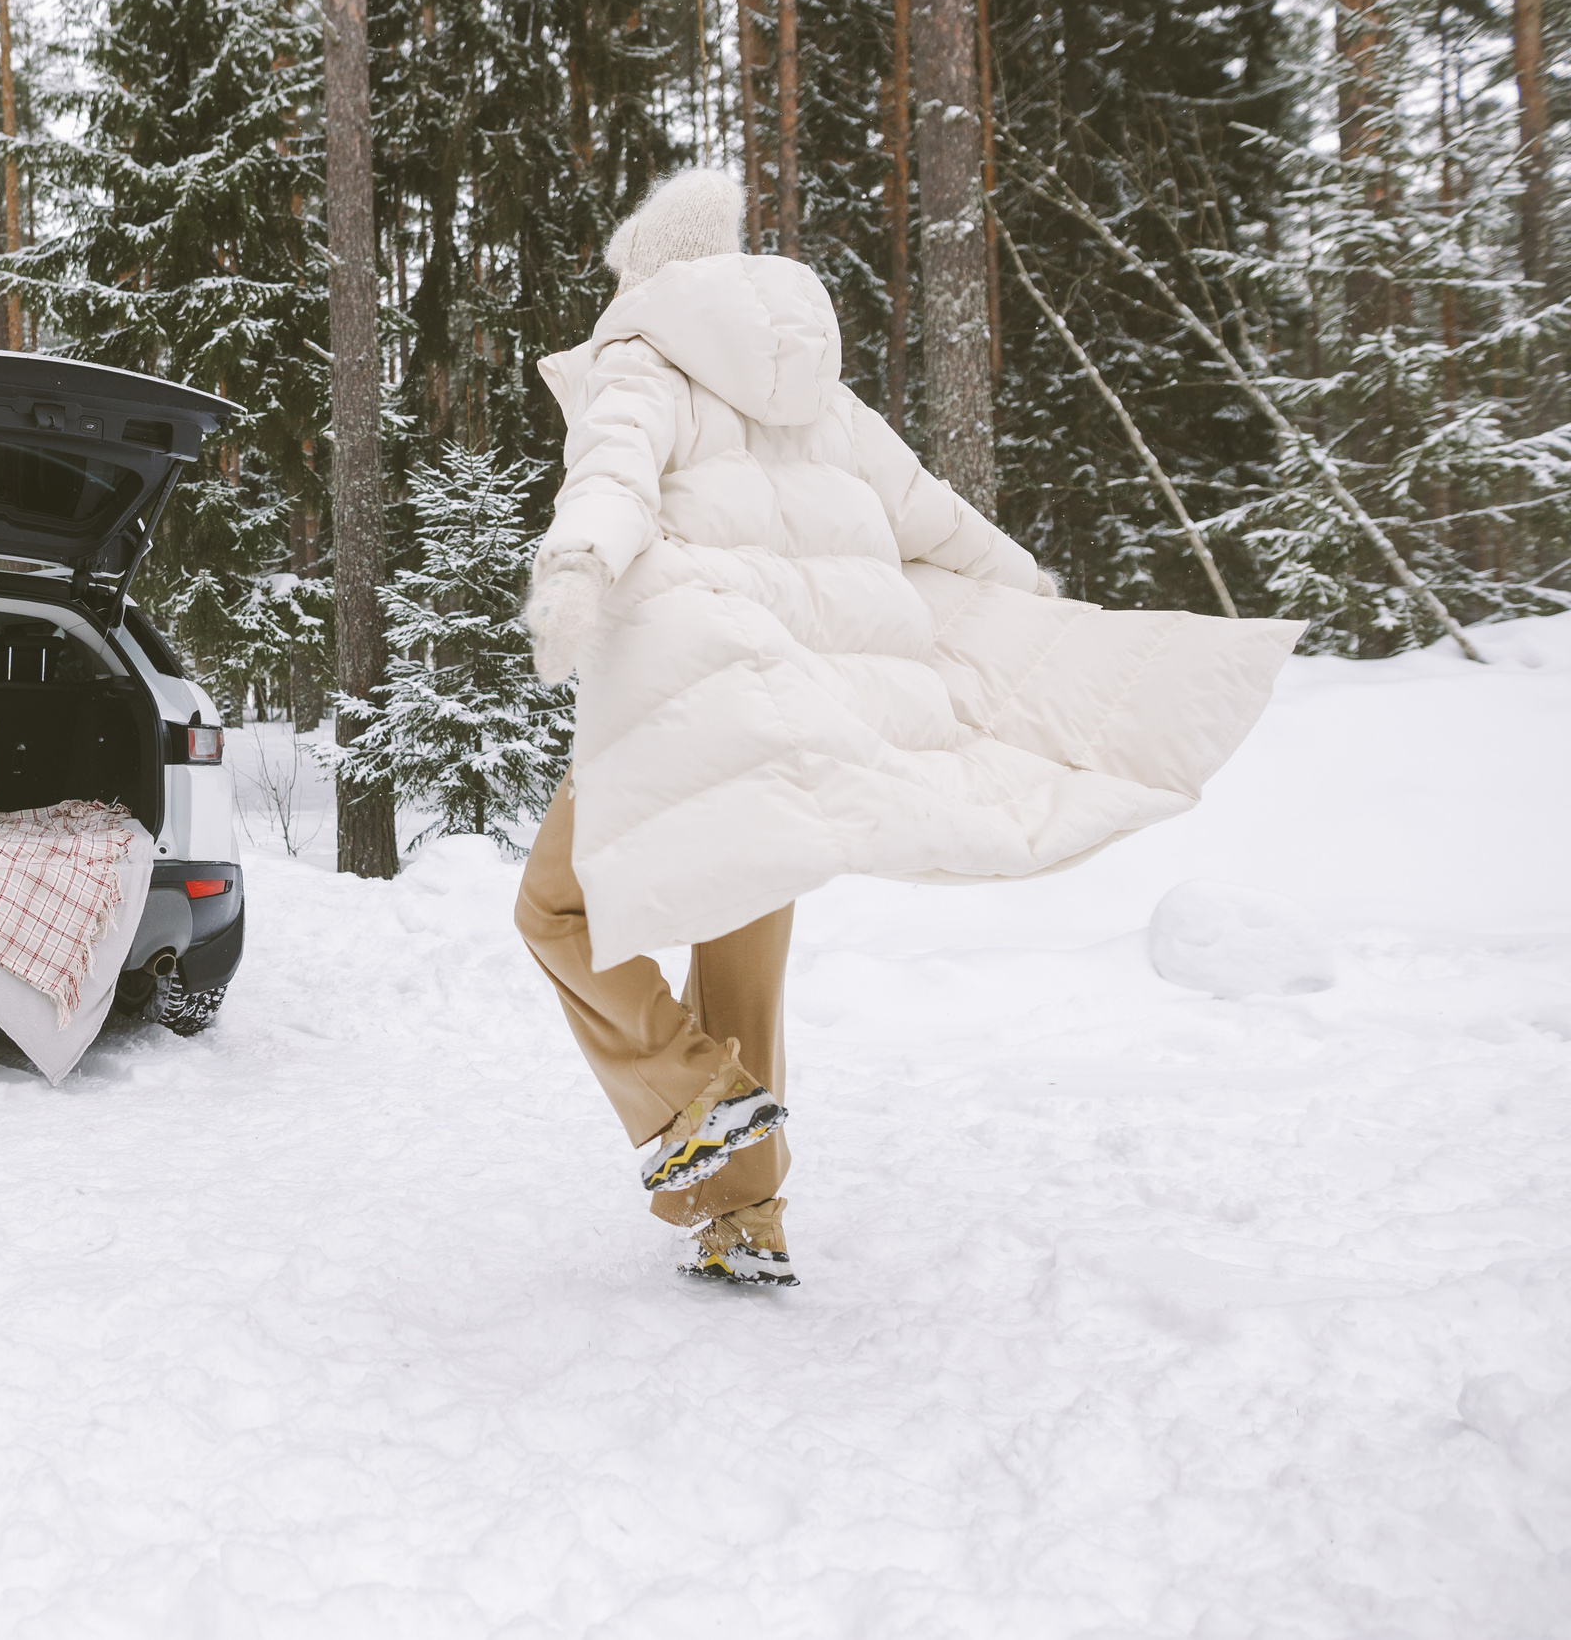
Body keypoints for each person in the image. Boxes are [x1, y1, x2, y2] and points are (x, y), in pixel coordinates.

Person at [515, 169, 1302, 1286]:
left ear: (649, 276)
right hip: (804, 715)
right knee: (738, 953)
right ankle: (748, 1220)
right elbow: (935, 515)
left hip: (697, 695)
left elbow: (611, 478)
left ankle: (703, 1095)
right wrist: (1024, 591)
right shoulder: (821, 398)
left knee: (553, 907)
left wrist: (577, 568)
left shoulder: (640, 364)